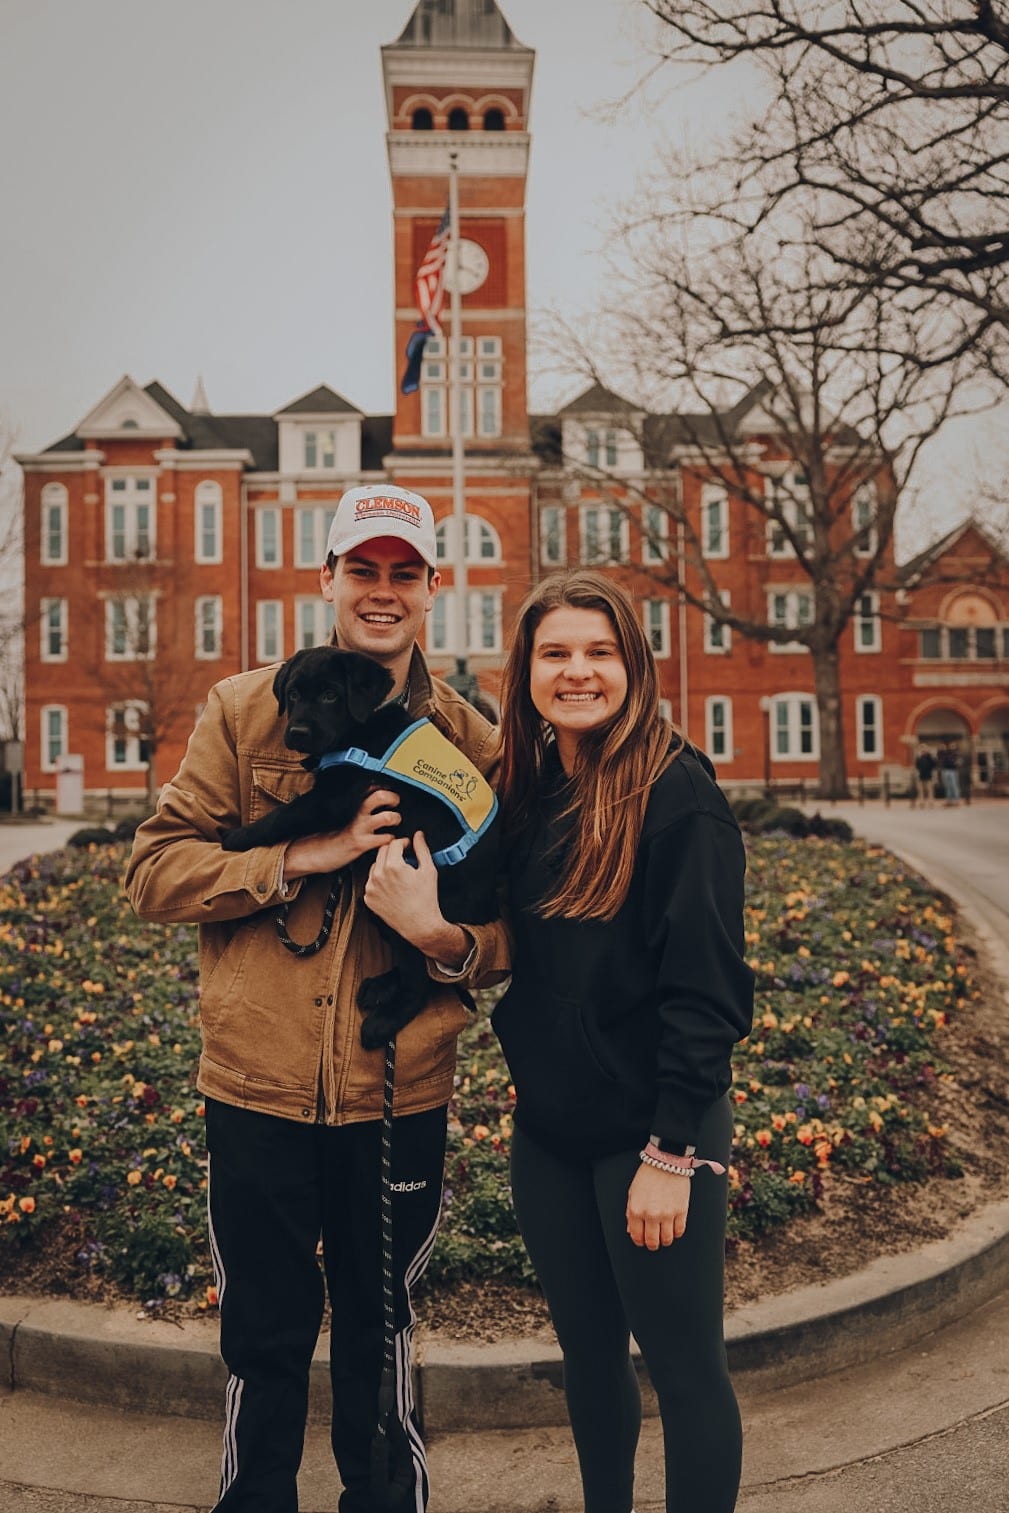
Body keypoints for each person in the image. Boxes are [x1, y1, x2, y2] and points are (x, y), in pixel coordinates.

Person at [124, 484, 501, 1513]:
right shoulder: (247, 707)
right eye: (363, 569)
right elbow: (155, 873)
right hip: (257, 1088)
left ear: (432, 588)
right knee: (266, 1332)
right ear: (328, 577)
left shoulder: (469, 737)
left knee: (381, 1332)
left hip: (399, 1085)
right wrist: (303, 853)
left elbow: (518, 919)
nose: (382, 592)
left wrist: (442, 935)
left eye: (404, 573)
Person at [367, 570, 755, 1513]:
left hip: (654, 1136)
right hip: (550, 1137)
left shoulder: (677, 798)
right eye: (554, 653)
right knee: (588, 1360)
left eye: (597, 651)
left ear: (633, 664)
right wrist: (427, 929)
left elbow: (706, 995)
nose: (576, 672)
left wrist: (670, 1152)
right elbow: (513, 951)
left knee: (684, 1368)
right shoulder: (536, 790)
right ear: (527, 670)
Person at [913, 743, 936, 808]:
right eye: (921, 748)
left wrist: (929, 755)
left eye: (924, 748)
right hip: (921, 776)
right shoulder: (919, 757)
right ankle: (921, 802)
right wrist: (918, 757)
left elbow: (933, 764)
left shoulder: (929, 757)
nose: (923, 750)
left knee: (929, 790)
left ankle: (931, 802)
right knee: (921, 790)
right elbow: (917, 766)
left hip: (928, 775)